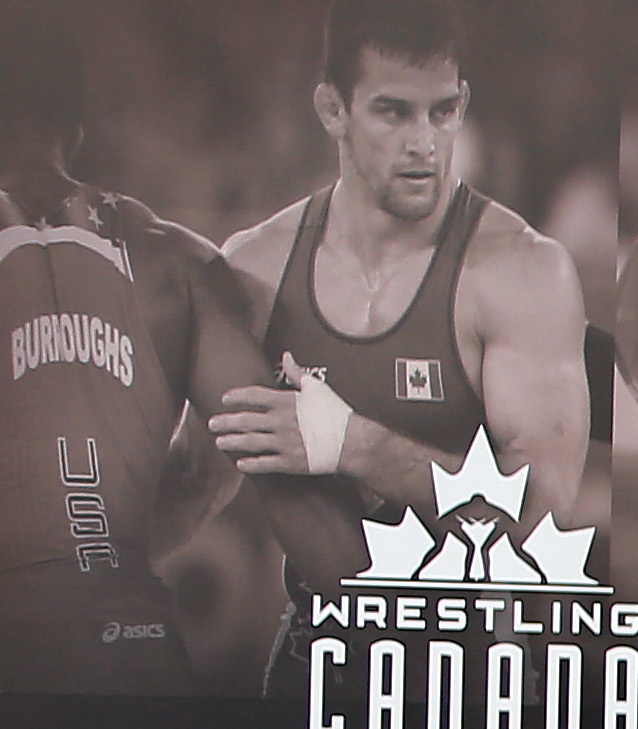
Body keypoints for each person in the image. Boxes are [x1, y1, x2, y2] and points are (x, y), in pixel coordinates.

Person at [212, 0, 591, 641]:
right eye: (393, 111)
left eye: (442, 111)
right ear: (333, 110)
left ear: (463, 104)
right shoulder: (255, 268)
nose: (424, 143)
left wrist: (351, 444)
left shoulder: (523, 273)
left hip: (466, 668)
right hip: (315, 649)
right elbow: (198, 474)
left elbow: (537, 518)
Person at [0, 5, 270, 692]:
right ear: (76, 131)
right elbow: (221, 464)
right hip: (128, 650)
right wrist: (99, 554)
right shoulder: (180, 264)